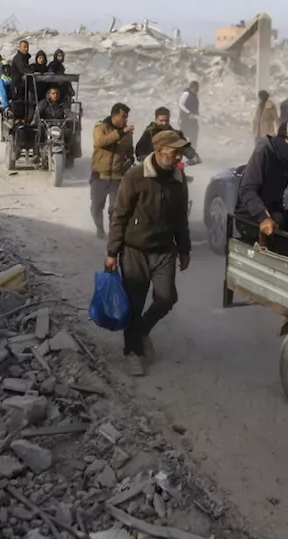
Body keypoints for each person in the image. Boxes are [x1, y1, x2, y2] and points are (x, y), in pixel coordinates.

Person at [105, 130, 192, 376]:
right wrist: (112, 252)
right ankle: (132, 351)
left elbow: (180, 217)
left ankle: (141, 330)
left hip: (164, 250)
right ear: (159, 150)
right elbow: (119, 215)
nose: (178, 157)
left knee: (166, 299)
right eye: (175, 151)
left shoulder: (179, 178)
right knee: (135, 302)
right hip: (135, 251)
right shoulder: (135, 176)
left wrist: (184, 249)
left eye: (180, 152)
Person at [234, 120, 288, 242]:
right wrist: (263, 217)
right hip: (252, 218)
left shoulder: (285, 159)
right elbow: (247, 189)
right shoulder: (263, 152)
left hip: (275, 214)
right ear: (282, 139)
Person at [91, 103, 135, 239]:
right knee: (97, 207)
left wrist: (130, 159)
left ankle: (113, 234)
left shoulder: (127, 132)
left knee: (115, 209)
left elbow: (129, 150)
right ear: (114, 116)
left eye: (127, 117)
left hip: (118, 177)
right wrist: (121, 133)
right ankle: (99, 227)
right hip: (100, 176)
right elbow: (101, 142)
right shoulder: (101, 127)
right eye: (123, 117)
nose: (125, 120)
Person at [135, 107, 200, 164]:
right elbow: (140, 150)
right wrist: (146, 159)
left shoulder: (174, 134)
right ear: (156, 119)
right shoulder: (149, 133)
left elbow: (184, 147)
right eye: (161, 121)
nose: (164, 123)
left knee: (181, 176)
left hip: (172, 165)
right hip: (155, 165)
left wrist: (193, 156)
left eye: (166, 121)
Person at [178, 81, 200, 149]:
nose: (197, 90)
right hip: (185, 120)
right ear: (191, 88)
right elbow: (180, 104)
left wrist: (196, 115)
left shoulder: (195, 95)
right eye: (196, 88)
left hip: (193, 121)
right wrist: (188, 113)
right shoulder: (186, 93)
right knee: (183, 138)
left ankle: (192, 156)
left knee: (193, 138)